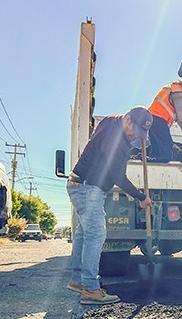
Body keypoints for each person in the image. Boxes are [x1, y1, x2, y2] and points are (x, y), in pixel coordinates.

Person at [66, 106, 154, 305]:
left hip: (80, 185)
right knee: (96, 234)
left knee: (84, 232)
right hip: (88, 188)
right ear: (128, 120)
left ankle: (78, 279)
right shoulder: (119, 143)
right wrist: (141, 197)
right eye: (135, 130)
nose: (134, 136)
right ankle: (89, 288)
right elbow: (118, 177)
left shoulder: (110, 121)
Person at [147, 78, 182, 162]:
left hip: (151, 118)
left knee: (156, 148)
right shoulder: (178, 94)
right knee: (167, 146)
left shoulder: (172, 89)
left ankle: (153, 165)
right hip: (158, 118)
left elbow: (175, 115)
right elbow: (181, 119)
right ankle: (164, 167)